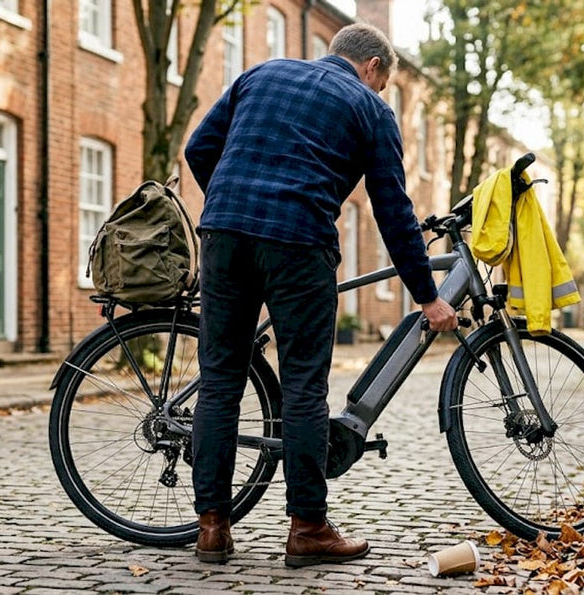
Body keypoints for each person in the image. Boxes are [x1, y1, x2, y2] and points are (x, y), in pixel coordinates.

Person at [183, 22, 458, 567]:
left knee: (219, 381)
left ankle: (212, 527)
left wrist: (233, 202)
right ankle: (307, 527)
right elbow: (392, 210)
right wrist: (427, 295)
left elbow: (198, 148)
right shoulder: (371, 108)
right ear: (374, 67)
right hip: (299, 243)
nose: (378, 91)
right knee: (304, 387)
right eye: (381, 83)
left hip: (223, 235)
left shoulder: (261, 73)